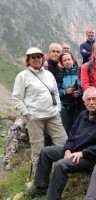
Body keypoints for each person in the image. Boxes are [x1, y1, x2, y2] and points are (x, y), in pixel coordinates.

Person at [26, 87, 96, 199]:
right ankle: (41, 187)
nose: (91, 102)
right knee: (46, 151)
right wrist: (68, 149)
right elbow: (72, 136)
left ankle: (52, 197)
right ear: (84, 103)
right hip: (74, 152)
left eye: (94, 99)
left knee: (61, 164)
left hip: (92, 157)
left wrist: (82, 153)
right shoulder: (83, 115)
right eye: (88, 100)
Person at [12, 47, 68, 176]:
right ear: (28, 60)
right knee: (38, 149)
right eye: (33, 57)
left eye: (38, 57)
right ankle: (39, 181)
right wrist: (27, 114)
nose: (36, 59)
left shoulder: (48, 74)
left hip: (52, 115)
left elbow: (55, 93)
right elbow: (16, 99)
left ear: (43, 59)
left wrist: (57, 109)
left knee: (63, 143)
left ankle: (61, 172)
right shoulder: (22, 76)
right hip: (35, 117)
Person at [58, 53, 84, 133]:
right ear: (62, 63)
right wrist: (65, 91)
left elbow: (85, 85)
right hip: (66, 105)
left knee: (79, 127)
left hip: (79, 104)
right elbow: (56, 90)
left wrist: (80, 92)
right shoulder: (60, 75)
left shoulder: (80, 72)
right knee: (67, 128)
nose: (67, 62)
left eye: (69, 59)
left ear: (73, 60)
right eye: (64, 60)